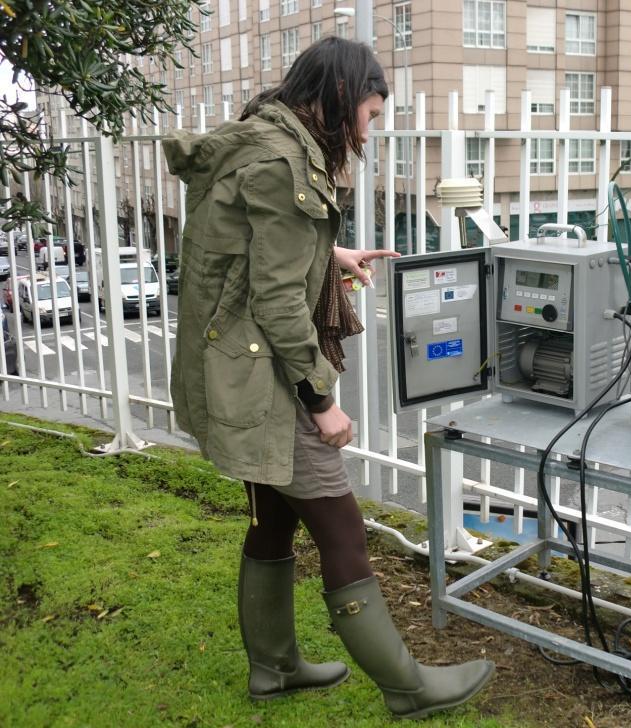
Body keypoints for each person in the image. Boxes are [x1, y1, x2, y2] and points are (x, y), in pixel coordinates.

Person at [164, 37, 494, 719]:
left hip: (234, 363)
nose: (371, 129)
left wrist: (330, 250)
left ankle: (274, 668)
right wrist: (320, 399)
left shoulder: (262, 137)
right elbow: (278, 301)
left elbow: (254, 249)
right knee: (341, 528)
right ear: (342, 97)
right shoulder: (286, 162)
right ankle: (406, 687)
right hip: (265, 377)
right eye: (371, 115)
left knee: (275, 515)